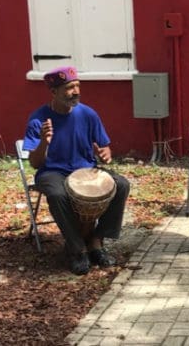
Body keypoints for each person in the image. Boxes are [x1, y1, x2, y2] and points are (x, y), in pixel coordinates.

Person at [23, 66, 131, 275]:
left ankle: (97, 241)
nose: (76, 91)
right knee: (57, 193)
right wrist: (44, 143)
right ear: (54, 92)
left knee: (121, 184)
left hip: (85, 170)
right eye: (69, 88)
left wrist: (105, 154)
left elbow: (104, 145)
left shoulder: (88, 114)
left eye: (77, 86)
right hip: (52, 172)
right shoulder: (39, 119)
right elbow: (35, 163)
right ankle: (77, 248)